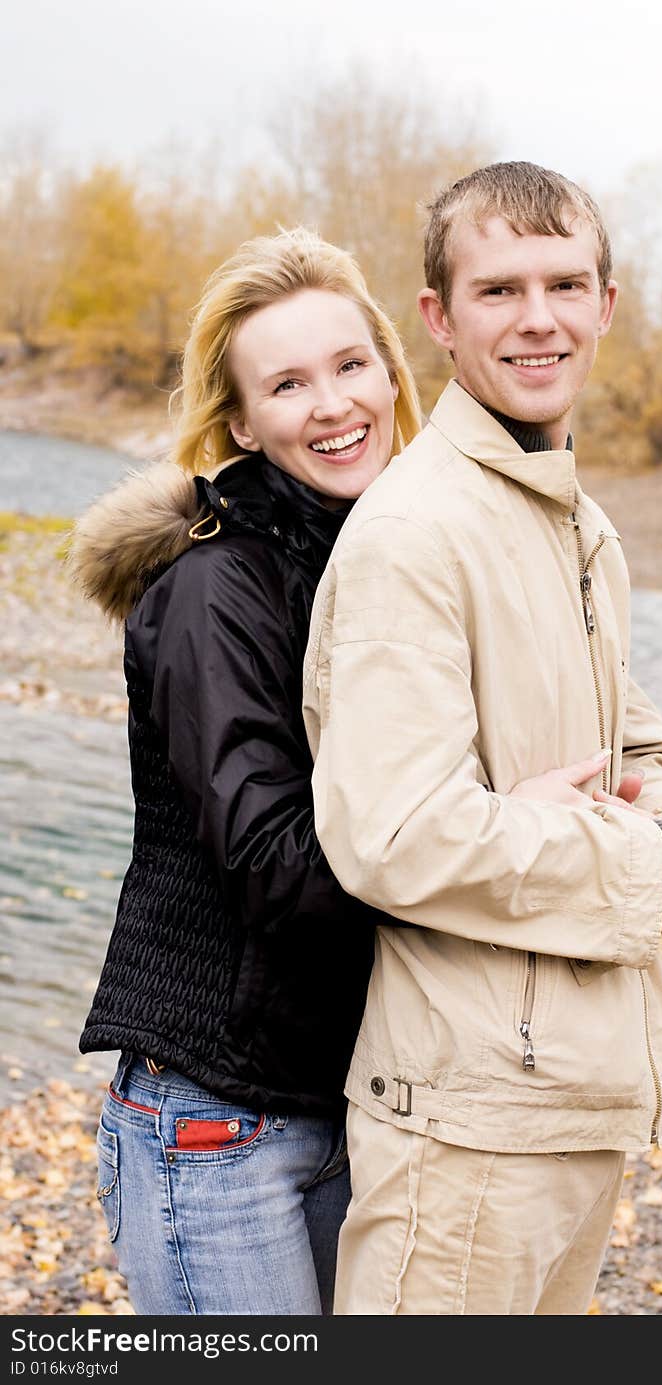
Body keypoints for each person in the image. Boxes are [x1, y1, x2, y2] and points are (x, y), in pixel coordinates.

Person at [302, 161, 662, 1316]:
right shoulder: (416, 530)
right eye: (498, 290)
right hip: (466, 1121)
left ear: (605, 302)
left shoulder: (577, 521)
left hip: (568, 1096)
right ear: (438, 320)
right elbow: (389, 834)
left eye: (563, 283)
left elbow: (634, 741)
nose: (536, 317)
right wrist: (651, 864)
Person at [66, 226, 422, 1315]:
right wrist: (489, 835)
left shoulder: (381, 561)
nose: (331, 404)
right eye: (287, 383)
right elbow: (275, 861)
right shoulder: (215, 590)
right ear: (240, 421)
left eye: (350, 365)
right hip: (218, 1125)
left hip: (343, 1098)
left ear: (393, 374)